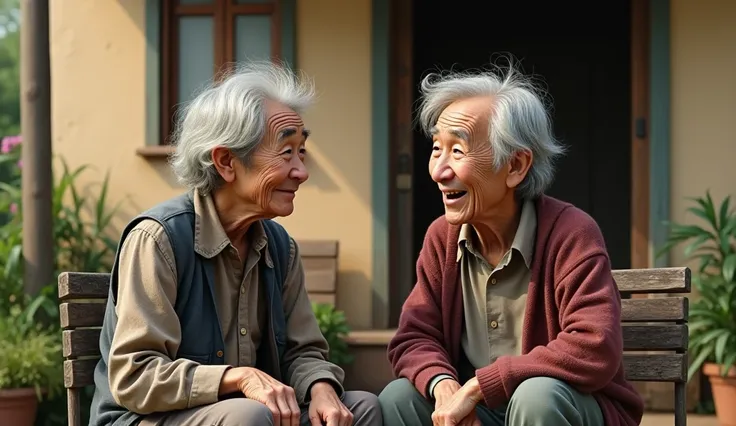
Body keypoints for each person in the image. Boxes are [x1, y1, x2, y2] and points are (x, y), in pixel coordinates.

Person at [88, 62, 382, 426]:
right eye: (285, 152)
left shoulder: (279, 248)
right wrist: (239, 377)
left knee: (362, 408)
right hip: (147, 418)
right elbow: (135, 376)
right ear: (227, 161)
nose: (302, 172)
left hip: (249, 415)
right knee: (248, 416)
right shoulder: (158, 239)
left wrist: (321, 386)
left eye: (301, 151)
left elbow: (303, 350)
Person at [378, 64, 644, 426]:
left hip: (561, 409)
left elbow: (594, 343)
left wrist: (477, 388)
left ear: (516, 165)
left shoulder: (572, 233)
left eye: (458, 150)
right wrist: (444, 387)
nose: (439, 170)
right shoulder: (442, 237)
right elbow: (414, 336)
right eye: (437, 148)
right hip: (480, 414)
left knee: (536, 396)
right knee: (400, 398)